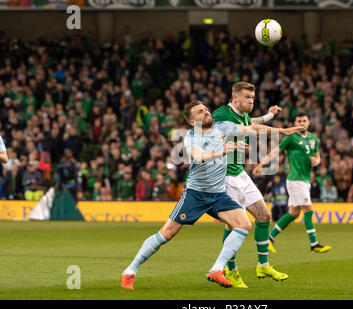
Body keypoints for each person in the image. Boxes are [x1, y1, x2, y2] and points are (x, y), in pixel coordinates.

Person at [121, 100, 299, 290]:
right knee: (167, 233)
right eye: (199, 112)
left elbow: (251, 128)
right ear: (192, 121)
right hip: (195, 194)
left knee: (244, 224)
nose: (206, 112)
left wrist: (282, 131)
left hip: (218, 194)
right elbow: (198, 156)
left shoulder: (223, 127)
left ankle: (217, 270)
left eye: (205, 109)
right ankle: (130, 271)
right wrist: (222, 151)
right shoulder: (191, 137)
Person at [212, 82, 289, 288]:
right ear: (235, 97)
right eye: (247, 97)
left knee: (264, 216)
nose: (251, 101)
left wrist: (270, 115)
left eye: (253, 98)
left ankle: (262, 265)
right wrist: (279, 129)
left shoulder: (242, 115)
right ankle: (231, 270)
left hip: (240, 175)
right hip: (225, 177)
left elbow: (252, 121)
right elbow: (220, 134)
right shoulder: (220, 115)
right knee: (234, 225)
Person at [254, 113, 331, 254]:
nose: (302, 123)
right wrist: (261, 164)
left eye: (304, 121)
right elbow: (276, 152)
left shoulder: (313, 138)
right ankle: (314, 243)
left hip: (305, 180)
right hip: (295, 180)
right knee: (308, 209)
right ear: (295, 123)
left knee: (294, 213)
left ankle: (269, 238)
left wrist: (316, 161)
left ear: (309, 122)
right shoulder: (291, 137)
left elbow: (317, 157)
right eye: (299, 121)